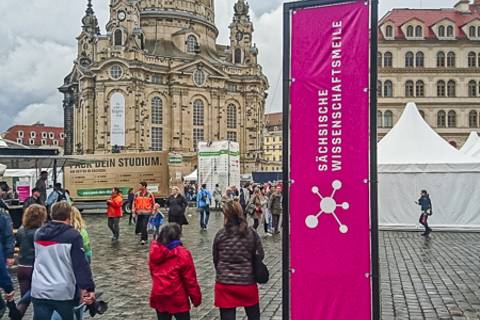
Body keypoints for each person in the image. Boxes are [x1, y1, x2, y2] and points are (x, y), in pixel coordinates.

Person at [31, 201, 96, 320]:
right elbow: (80, 265)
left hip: (39, 288)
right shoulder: (73, 236)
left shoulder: (39, 234)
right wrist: (88, 288)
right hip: (63, 291)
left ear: (51, 214)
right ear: (69, 215)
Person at [213, 200, 264, 320]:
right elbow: (260, 255)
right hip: (247, 281)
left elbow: (216, 258)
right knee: (254, 315)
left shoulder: (220, 235)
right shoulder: (251, 233)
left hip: (225, 283)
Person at [149, 223, 202, 320]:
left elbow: (153, 273)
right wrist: (196, 298)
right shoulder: (183, 253)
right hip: (178, 297)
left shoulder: (155, 252)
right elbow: (190, 280)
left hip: (159, 295)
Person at [15, 204, 48, 316]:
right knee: (38, 299)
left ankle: (17, 315)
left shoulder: (20, 230)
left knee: (25, 299)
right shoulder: (41, 232)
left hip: (22, 267)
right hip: (35, 267)